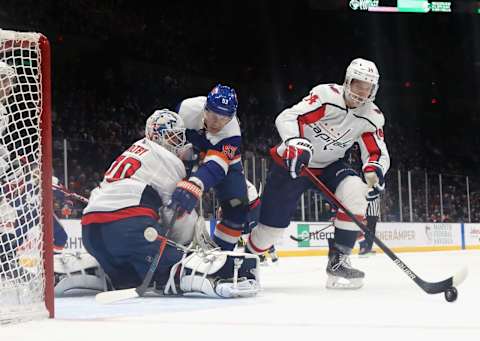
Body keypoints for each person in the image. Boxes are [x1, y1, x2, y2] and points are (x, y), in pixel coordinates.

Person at [59, 109, 258, 298]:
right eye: (173, 136)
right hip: (130, 230)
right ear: (157, 135)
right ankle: (217, 277)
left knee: (130, 278)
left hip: (91, 233)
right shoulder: (168, 159)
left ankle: (81, 271)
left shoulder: (132, 150)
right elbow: (177, 215)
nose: (178, 141)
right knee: (170, 269)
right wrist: (186, 249)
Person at [246, 58, 390, 289]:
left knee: (355, 192)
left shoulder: (372, 116)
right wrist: (297, 144)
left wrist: (374, 176)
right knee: (270, 232)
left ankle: (338, 262)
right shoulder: (326, 96)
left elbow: (376, 152)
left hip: (329, 166)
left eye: (368, 87)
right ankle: (247, 261)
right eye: (357, 84)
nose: (362, 92)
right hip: (293, 163)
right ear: (347, 81)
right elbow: (288, 117)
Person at [171, 85, 249, 251]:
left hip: (220, 157)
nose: (217, 123)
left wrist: (195, 184)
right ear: (205, 108)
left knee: (237, 206)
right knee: (169, 196)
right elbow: (167, 141)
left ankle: (220, 260)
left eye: (224, 119)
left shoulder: (232, 134)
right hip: (187, 150)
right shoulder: (186, 109)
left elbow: (216, 166)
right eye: (213, 115)